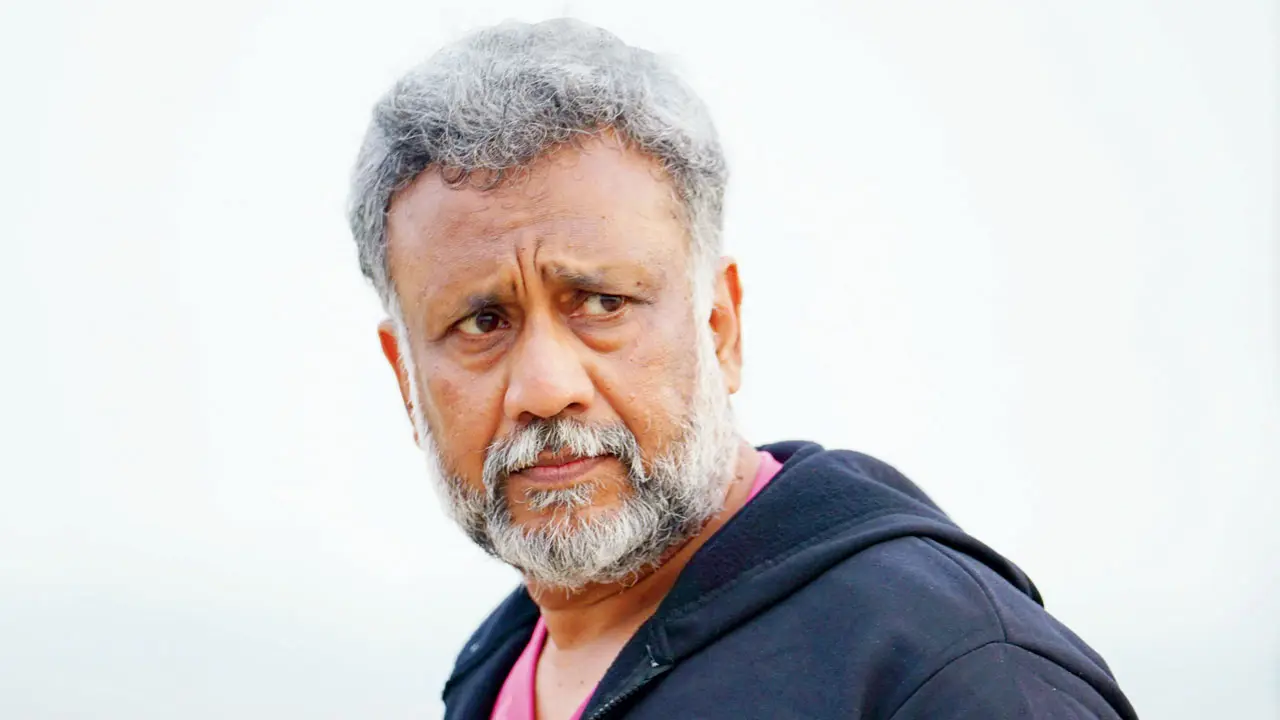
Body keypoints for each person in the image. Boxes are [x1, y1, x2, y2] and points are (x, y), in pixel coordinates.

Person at [346, 18, 1137, 720]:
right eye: (482, 323)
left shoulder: (948, 673)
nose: (547, 388)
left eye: (602, 303)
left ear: (720, 326)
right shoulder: (495, 667)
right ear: (406, 382)